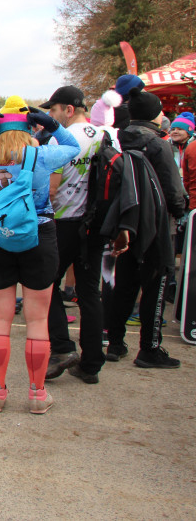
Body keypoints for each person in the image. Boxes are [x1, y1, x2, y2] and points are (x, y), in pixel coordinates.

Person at [0, 96, 80, 414]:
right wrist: (53, 125)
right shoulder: (41, 155)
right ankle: (37, 395)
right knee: (37, 320)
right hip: (39, 236)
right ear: (29, 126)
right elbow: (73, 148)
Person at [105, 90, 185, 368]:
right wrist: (180, 212)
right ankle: (149, 348)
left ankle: (115, 341)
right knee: (157, 282)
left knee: (125, 283)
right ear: (154, 113)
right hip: (157, 221)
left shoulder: (118, 139)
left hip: (125, 219)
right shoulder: (158, 144)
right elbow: (173, 187)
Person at [40, 86, 110, 385]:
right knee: (89, 290)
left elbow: (51, 189)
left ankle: (62, 348)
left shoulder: (61, 139)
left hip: (65, 221)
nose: (51, 117)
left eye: (54, 110)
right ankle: (92, 362)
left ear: (69, 109)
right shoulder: (106, 135)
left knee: (45, 282)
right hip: (95, 222)